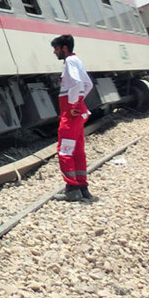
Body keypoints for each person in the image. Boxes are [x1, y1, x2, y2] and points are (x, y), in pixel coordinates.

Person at [51, 34, 96, 202]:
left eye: (56, 49)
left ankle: (72, 190)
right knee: (77, 151)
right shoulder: (78, 61)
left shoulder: (69, 61)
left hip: (69, 115)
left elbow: (77, 83)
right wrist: (80, 101)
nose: (54, 52)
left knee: (64, 151)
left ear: (64, 48)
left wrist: (72, 105)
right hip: (77, 116)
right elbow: (88, 84)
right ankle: (83, 188)